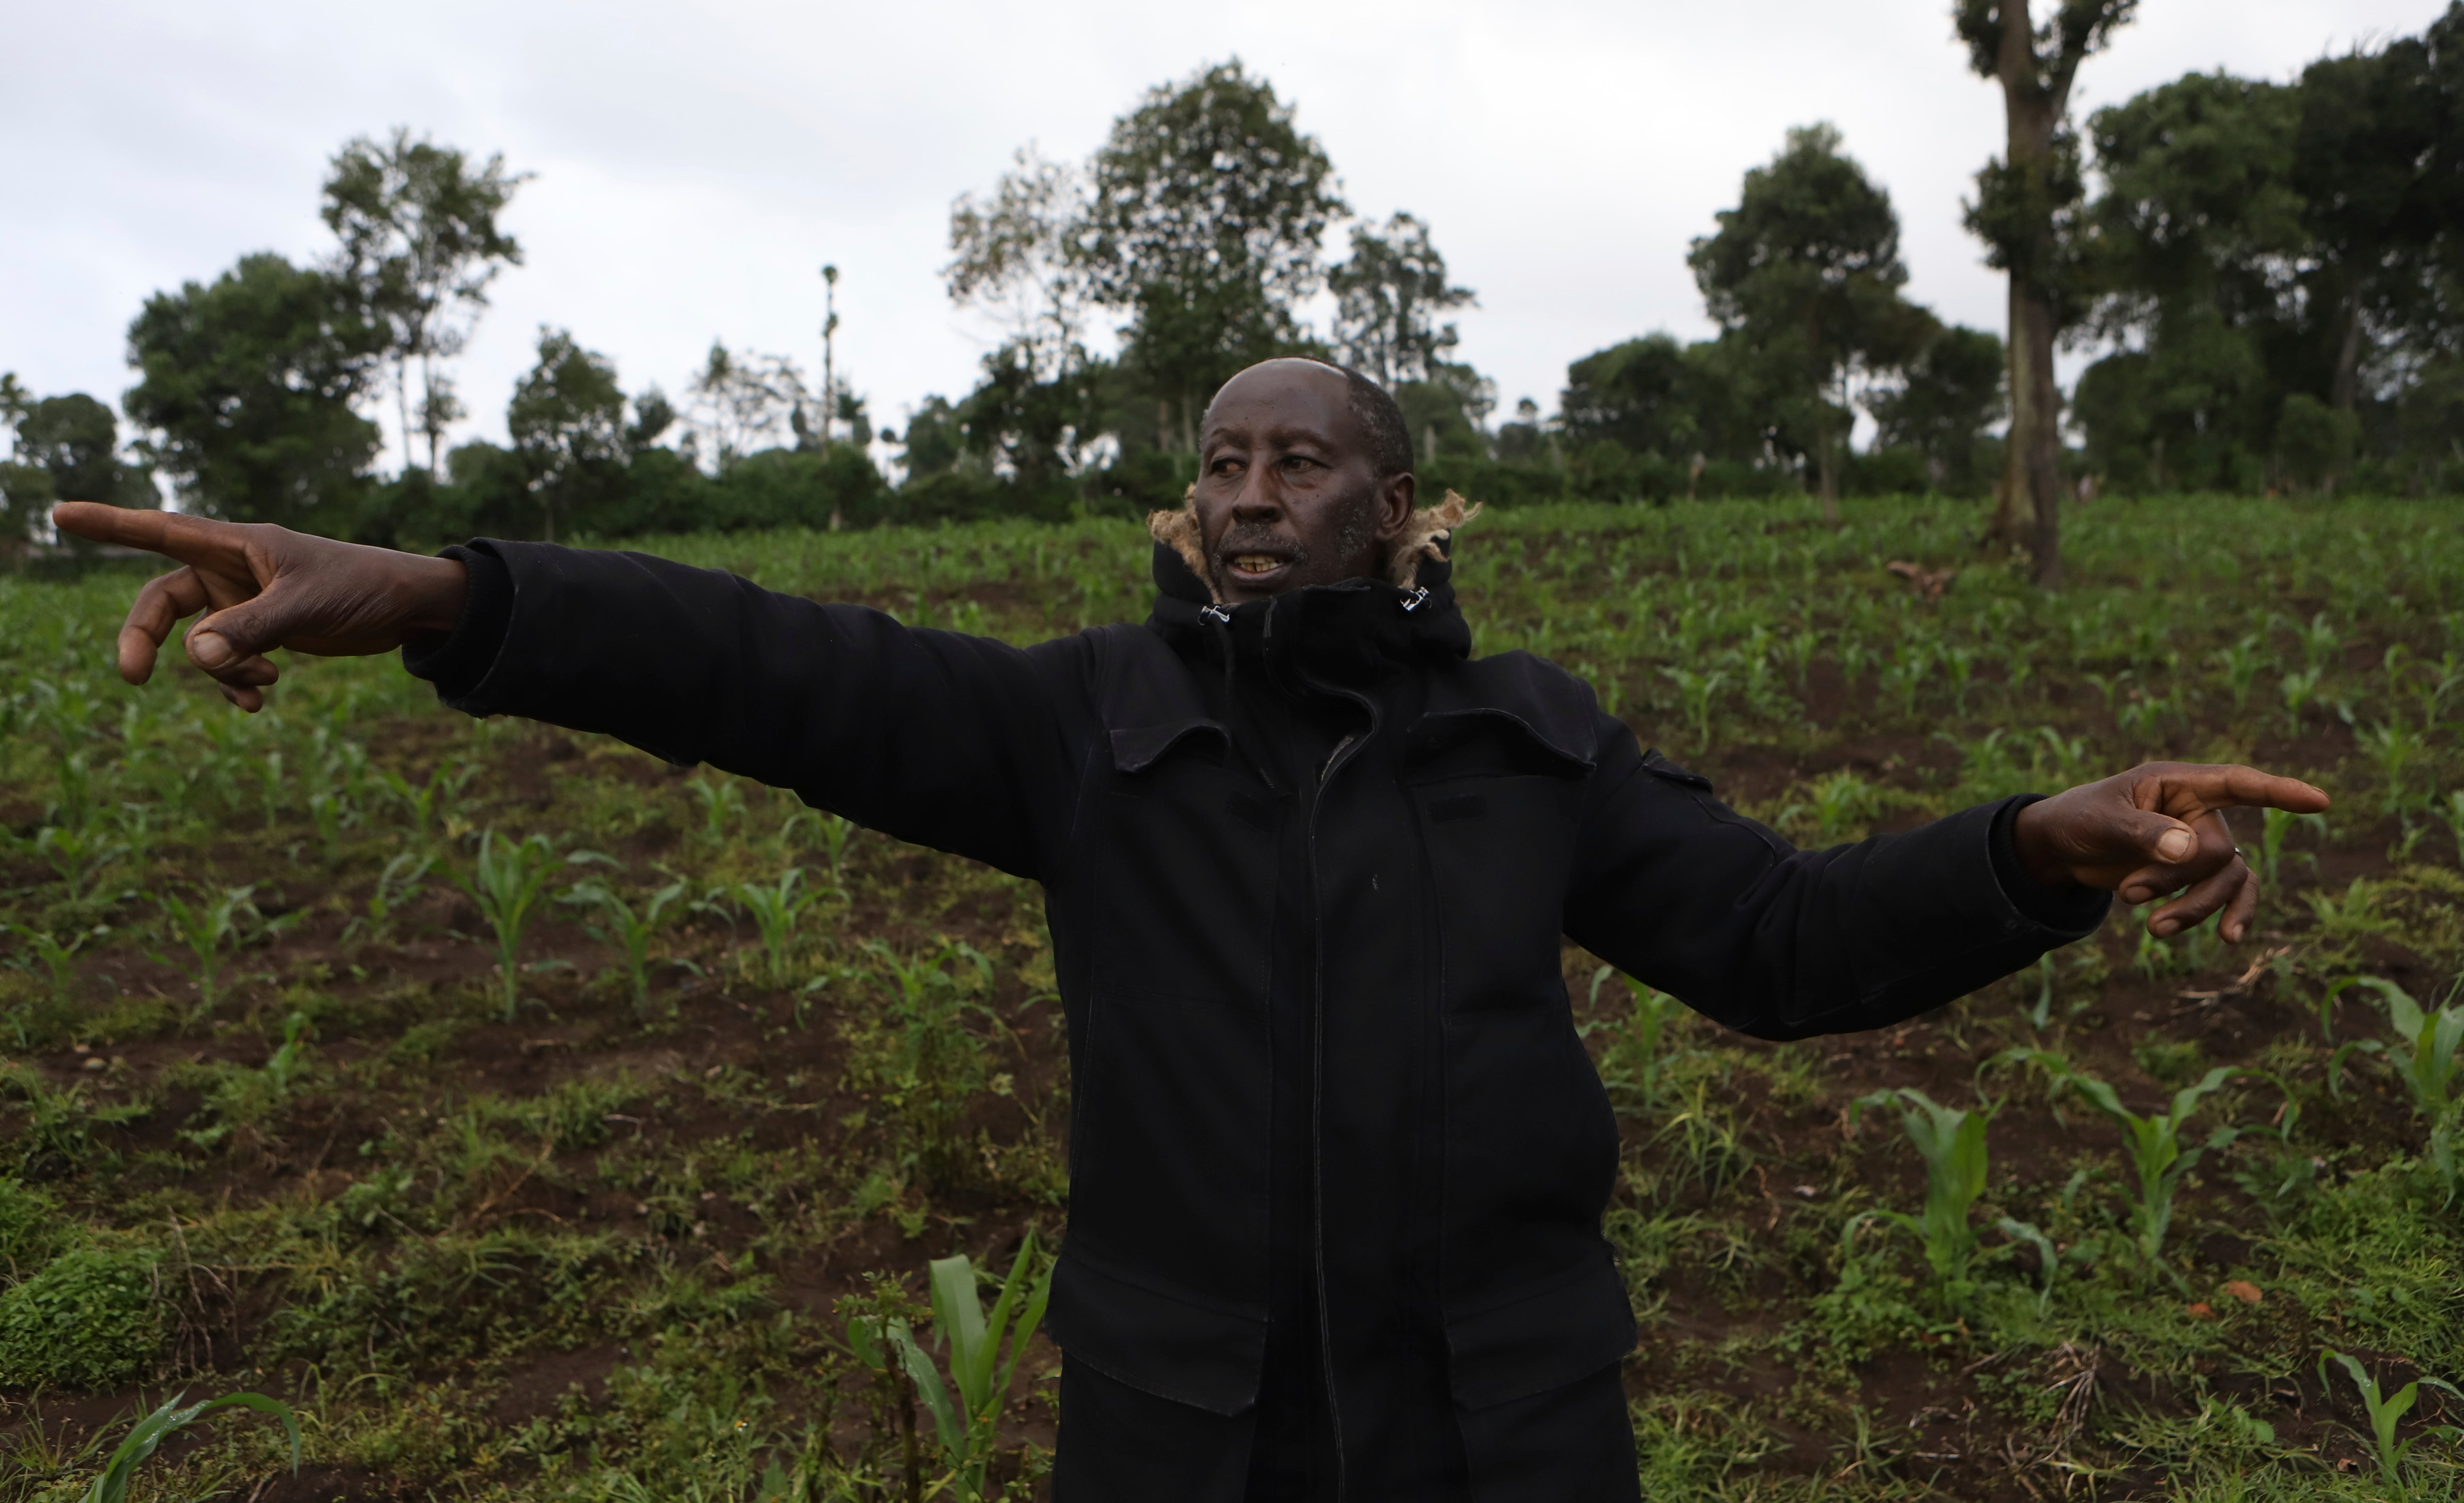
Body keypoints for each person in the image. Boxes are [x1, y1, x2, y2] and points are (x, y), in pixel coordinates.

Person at [55, 357, 2327, 1502]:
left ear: (1408, 513)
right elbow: (760, 666)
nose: (1254, 488)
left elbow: (1783, 942)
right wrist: (450, 597)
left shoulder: (1534, 748)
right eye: (1221, 459)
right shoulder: (1078, 730)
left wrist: (2037, 843)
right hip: (1181, 1435)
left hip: (1507, 1433)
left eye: (1305, 456)